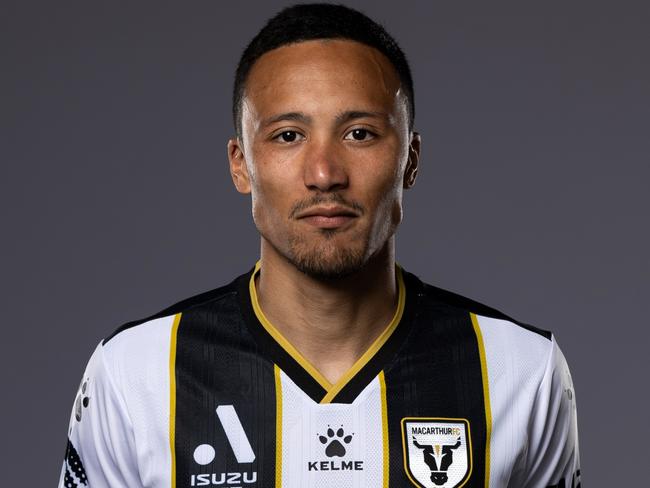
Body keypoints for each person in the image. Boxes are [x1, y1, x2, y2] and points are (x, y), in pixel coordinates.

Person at [59, 4, 581, 488]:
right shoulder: (137, 374)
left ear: (411, 159)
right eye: (288, 135)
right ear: (241, 164)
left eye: (359, 133)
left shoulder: (520, 371)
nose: (324, 174)